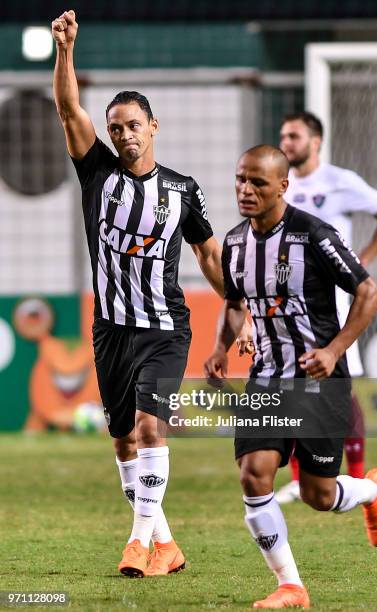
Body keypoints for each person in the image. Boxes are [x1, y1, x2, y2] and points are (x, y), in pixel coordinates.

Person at [51, 10, 251, 578]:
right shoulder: (97, 175)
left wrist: (241, 309)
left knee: (148, 429)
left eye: (133, 124)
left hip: (164, 326)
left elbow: (209, 256)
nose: (123, 134)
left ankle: (137, 544)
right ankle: (165, 543)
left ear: (153, 126)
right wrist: (65, 50)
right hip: (110, 328)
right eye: (115, 127)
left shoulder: (182, 191)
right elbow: (68, 108)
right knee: (121, 442)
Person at [205, 145, 377, 609]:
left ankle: (372, 491)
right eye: (240, 180)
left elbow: (369, 292)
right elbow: (234, 304)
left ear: (283, 187)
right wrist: (219, 348)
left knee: (318, 494)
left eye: (258, 183)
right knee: (255, 473)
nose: (245, 190)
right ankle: (291, 585)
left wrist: (333, 350)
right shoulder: (234, 243)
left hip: (318, 382)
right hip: (266, 379)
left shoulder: (314, 234)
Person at [274, 111, 377, 503]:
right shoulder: (279, 183)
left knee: (342, 392)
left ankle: (359, 475)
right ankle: (301, 478)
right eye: (283, 135)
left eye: (294, 136)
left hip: (333, 304)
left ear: (315, 141)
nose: (287, 143)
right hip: (289, 302)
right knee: (292, 386)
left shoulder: (339, 182)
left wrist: (363, 259)